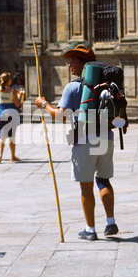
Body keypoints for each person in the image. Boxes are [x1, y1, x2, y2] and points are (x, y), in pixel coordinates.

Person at [35, 44, 118, 241]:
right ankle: (111, 222)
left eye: (73, 60)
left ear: (84, 63)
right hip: (106, 136)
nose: (69, 64)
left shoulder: (73, 87)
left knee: (86, 186)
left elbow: (60, 116)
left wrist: (44, 104)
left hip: (83, 140)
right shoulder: (106, 85)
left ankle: (90, 230)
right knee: (104, 180)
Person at [0, 72, 24, 163]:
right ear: (9, 80)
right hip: (11, 113)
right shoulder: (12, 90)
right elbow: (17, 104)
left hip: (1, 114)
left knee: (1, 136)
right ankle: (12, 156)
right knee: (11, 136)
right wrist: (20, 95)